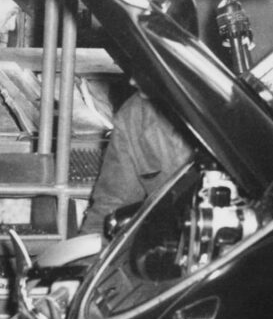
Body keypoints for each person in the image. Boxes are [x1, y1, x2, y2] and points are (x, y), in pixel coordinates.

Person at [79, 88, 192, 234]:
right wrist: (87, 245)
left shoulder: (220, 106)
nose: (133, 81)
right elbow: (111, 205)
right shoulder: (135, 114)